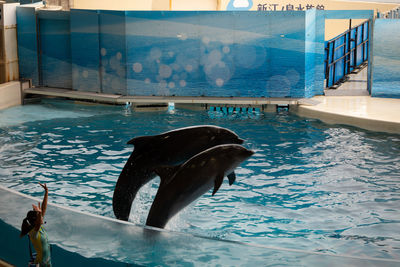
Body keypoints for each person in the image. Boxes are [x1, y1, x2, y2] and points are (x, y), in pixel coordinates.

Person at [20, 183, 52, 267]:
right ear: (35, 221)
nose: (42, 218)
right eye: (39, 216)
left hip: (47, 261)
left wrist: (46, 192)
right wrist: (39, 212)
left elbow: (44, 208)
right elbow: (38, 223)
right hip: (41, 263)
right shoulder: (33, 233)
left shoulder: (39, 227)